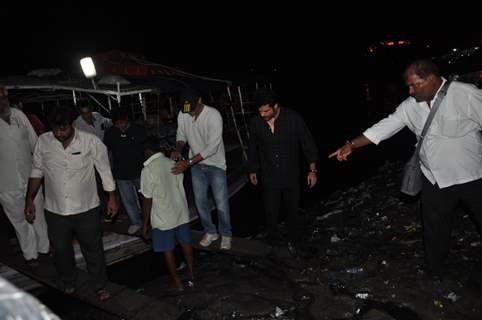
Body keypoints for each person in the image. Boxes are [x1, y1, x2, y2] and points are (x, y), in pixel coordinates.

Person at [329, 59, 482, 280]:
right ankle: (436, 271)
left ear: (430, 79)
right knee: (434, 229)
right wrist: (351, 145)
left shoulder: (464, 94)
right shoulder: (410, 106)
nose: (410, 91)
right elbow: (385, 126)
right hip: (435, 178)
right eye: (408, 86)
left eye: (414, 85)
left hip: (473, 176)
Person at [25, 106, 118, 301]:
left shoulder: (90, 141)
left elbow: (104, 170)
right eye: (55, 129)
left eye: (64, 129)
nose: (59, 133)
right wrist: (29, 200)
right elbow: (36, 171)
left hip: (87, 208)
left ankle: (100, 285)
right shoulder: (43, 141)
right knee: (61, 250)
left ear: (72, 124)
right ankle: (68, 281)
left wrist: (112, 198)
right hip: (55, 209)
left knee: (93, 249)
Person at [247, 88, 319, 253]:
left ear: (276, 106)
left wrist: (312, 170)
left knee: (292, 210)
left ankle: (294, 241)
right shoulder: (256, 123)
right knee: (271, 211)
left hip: (291, 174)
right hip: (269, 175)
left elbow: (307, 144)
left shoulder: (293, 118)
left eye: (266, 111)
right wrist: (252, 170)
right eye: (260, 111)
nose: (263, 114)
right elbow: (253, 147)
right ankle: (275, 242)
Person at [171, 87, 232, 250]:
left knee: (221, 202)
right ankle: (210, 231)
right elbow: (181, 135)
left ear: (199, 100)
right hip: (196, 165)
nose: (189, 113)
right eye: (186, 109)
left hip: (216, 164)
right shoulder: (184, 112)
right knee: (200, 202)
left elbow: (212, 148)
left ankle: (226, 234)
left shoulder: (214, 116)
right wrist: (178, 149)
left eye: (191, 109)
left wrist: (188, 162)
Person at [0, 86, 49, 267]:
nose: (2, 103)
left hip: (30, 177)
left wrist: (41, 170)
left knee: (38, 215)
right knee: (19, 221)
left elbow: (35, 143)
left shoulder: (18, 115)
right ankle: (31, 255)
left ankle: (44, 250)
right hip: (5, 183)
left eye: (4, 99)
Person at [140, 136, 193, 291]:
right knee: (186, 243)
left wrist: (145, 224)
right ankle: (191, 273)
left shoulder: (147, 170)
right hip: (181, 212)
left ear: (147, 151)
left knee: (167, 249)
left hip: (163, 217)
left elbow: (147, 200)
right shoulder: (173, 163)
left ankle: (177, 282)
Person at [104, 108, 147, 234]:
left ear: (127, 119)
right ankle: (136, 222)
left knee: (146, 198)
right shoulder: (111, 133)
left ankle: (151, 220)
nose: (120, 126)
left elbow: (147, 149)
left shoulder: (138, 130)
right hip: (121, 173)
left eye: (121, 123)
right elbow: (106, 151)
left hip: (140, 171)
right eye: (117, 124)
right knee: (128, 200)